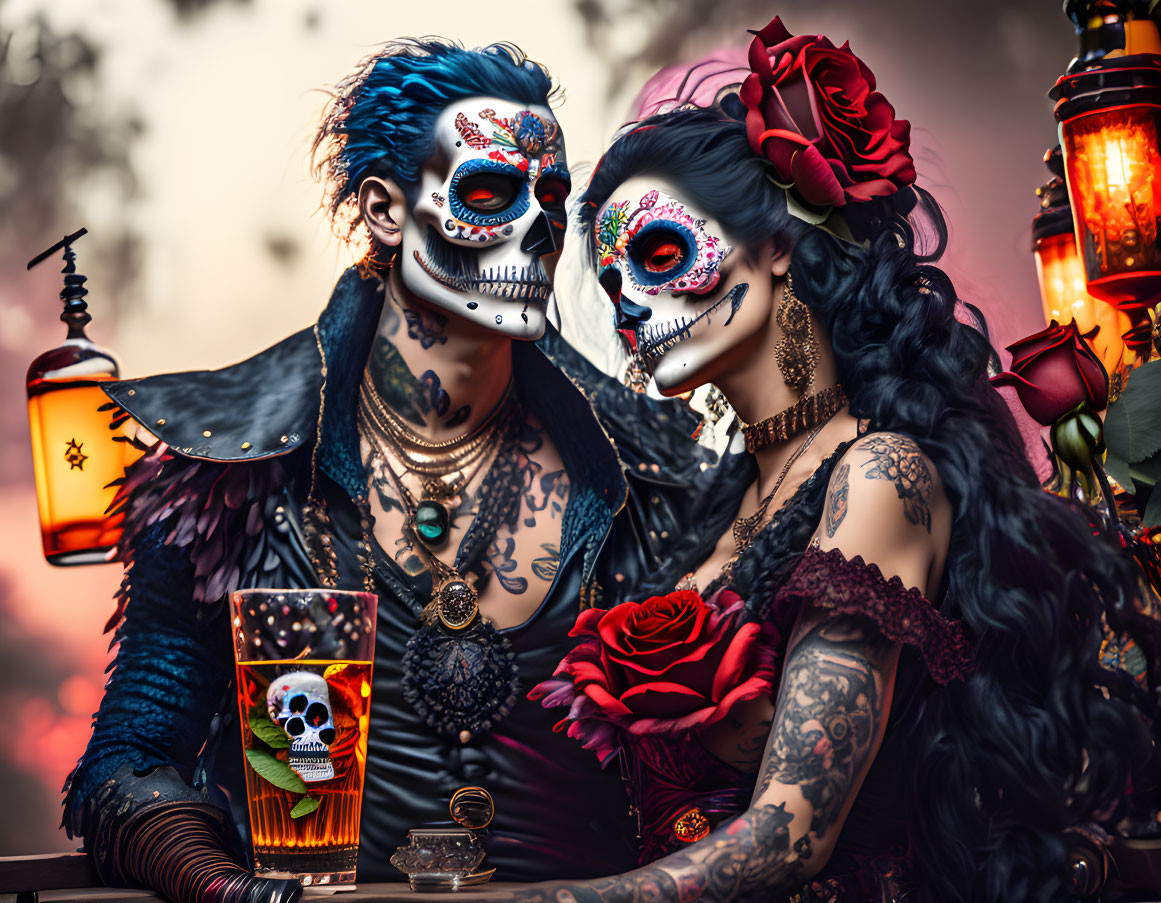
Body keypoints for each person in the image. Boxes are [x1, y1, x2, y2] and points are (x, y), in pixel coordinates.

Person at [61, 38, 723, 903]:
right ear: (383, 209)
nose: (537, 227)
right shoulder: (225, 474)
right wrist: (223, 888)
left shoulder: (657, 474)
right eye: (490, 193)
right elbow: (130, 758)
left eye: (553, 198)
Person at [523, 17, 1160, 903]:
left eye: (659, 252)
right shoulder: (717, 504)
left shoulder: (879, 476)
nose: (633, 302)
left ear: (779, 242)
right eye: (611, 283)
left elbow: (789, 836)